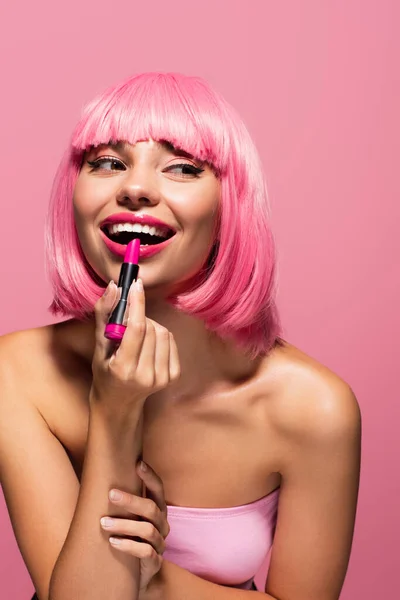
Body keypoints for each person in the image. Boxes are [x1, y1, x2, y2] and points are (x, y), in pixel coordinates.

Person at [0, 72, 361, 600]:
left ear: (228, 207)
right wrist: (116, 411)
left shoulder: (314, 408)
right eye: (107, 162)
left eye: (182, 168)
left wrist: (157, 579)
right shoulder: (15, 373)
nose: (136, 187)